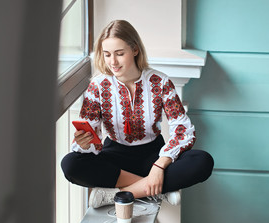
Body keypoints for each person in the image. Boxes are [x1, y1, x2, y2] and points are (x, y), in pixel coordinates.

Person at [61, 20, 214, 208]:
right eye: (107, 54)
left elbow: (184, 131)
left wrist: (159, 166)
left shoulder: (160, 82)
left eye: (119, 53)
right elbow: (90, 135)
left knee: (203, 161)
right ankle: (156, 189)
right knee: (70, 164)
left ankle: (122, 194)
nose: (112, 62)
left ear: (135, 50)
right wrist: (84, 142)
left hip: (153, 155)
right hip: (115, 157)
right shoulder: (98, 86)